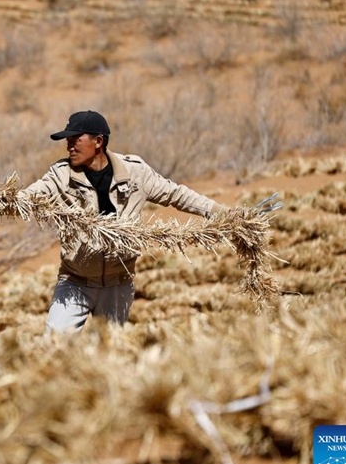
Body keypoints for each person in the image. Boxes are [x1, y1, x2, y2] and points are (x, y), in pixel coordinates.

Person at [20, 110, 229, 332]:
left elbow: (175, 194)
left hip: (118, 284)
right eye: (68, 141)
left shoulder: (135, 171)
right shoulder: (60, 175)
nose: (69, 146)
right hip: (75, 282)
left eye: (75, 140)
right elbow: (31, 195)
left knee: (110, 351)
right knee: (55, 344)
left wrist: (219, 212)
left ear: (98, 141)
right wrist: (4, 199)